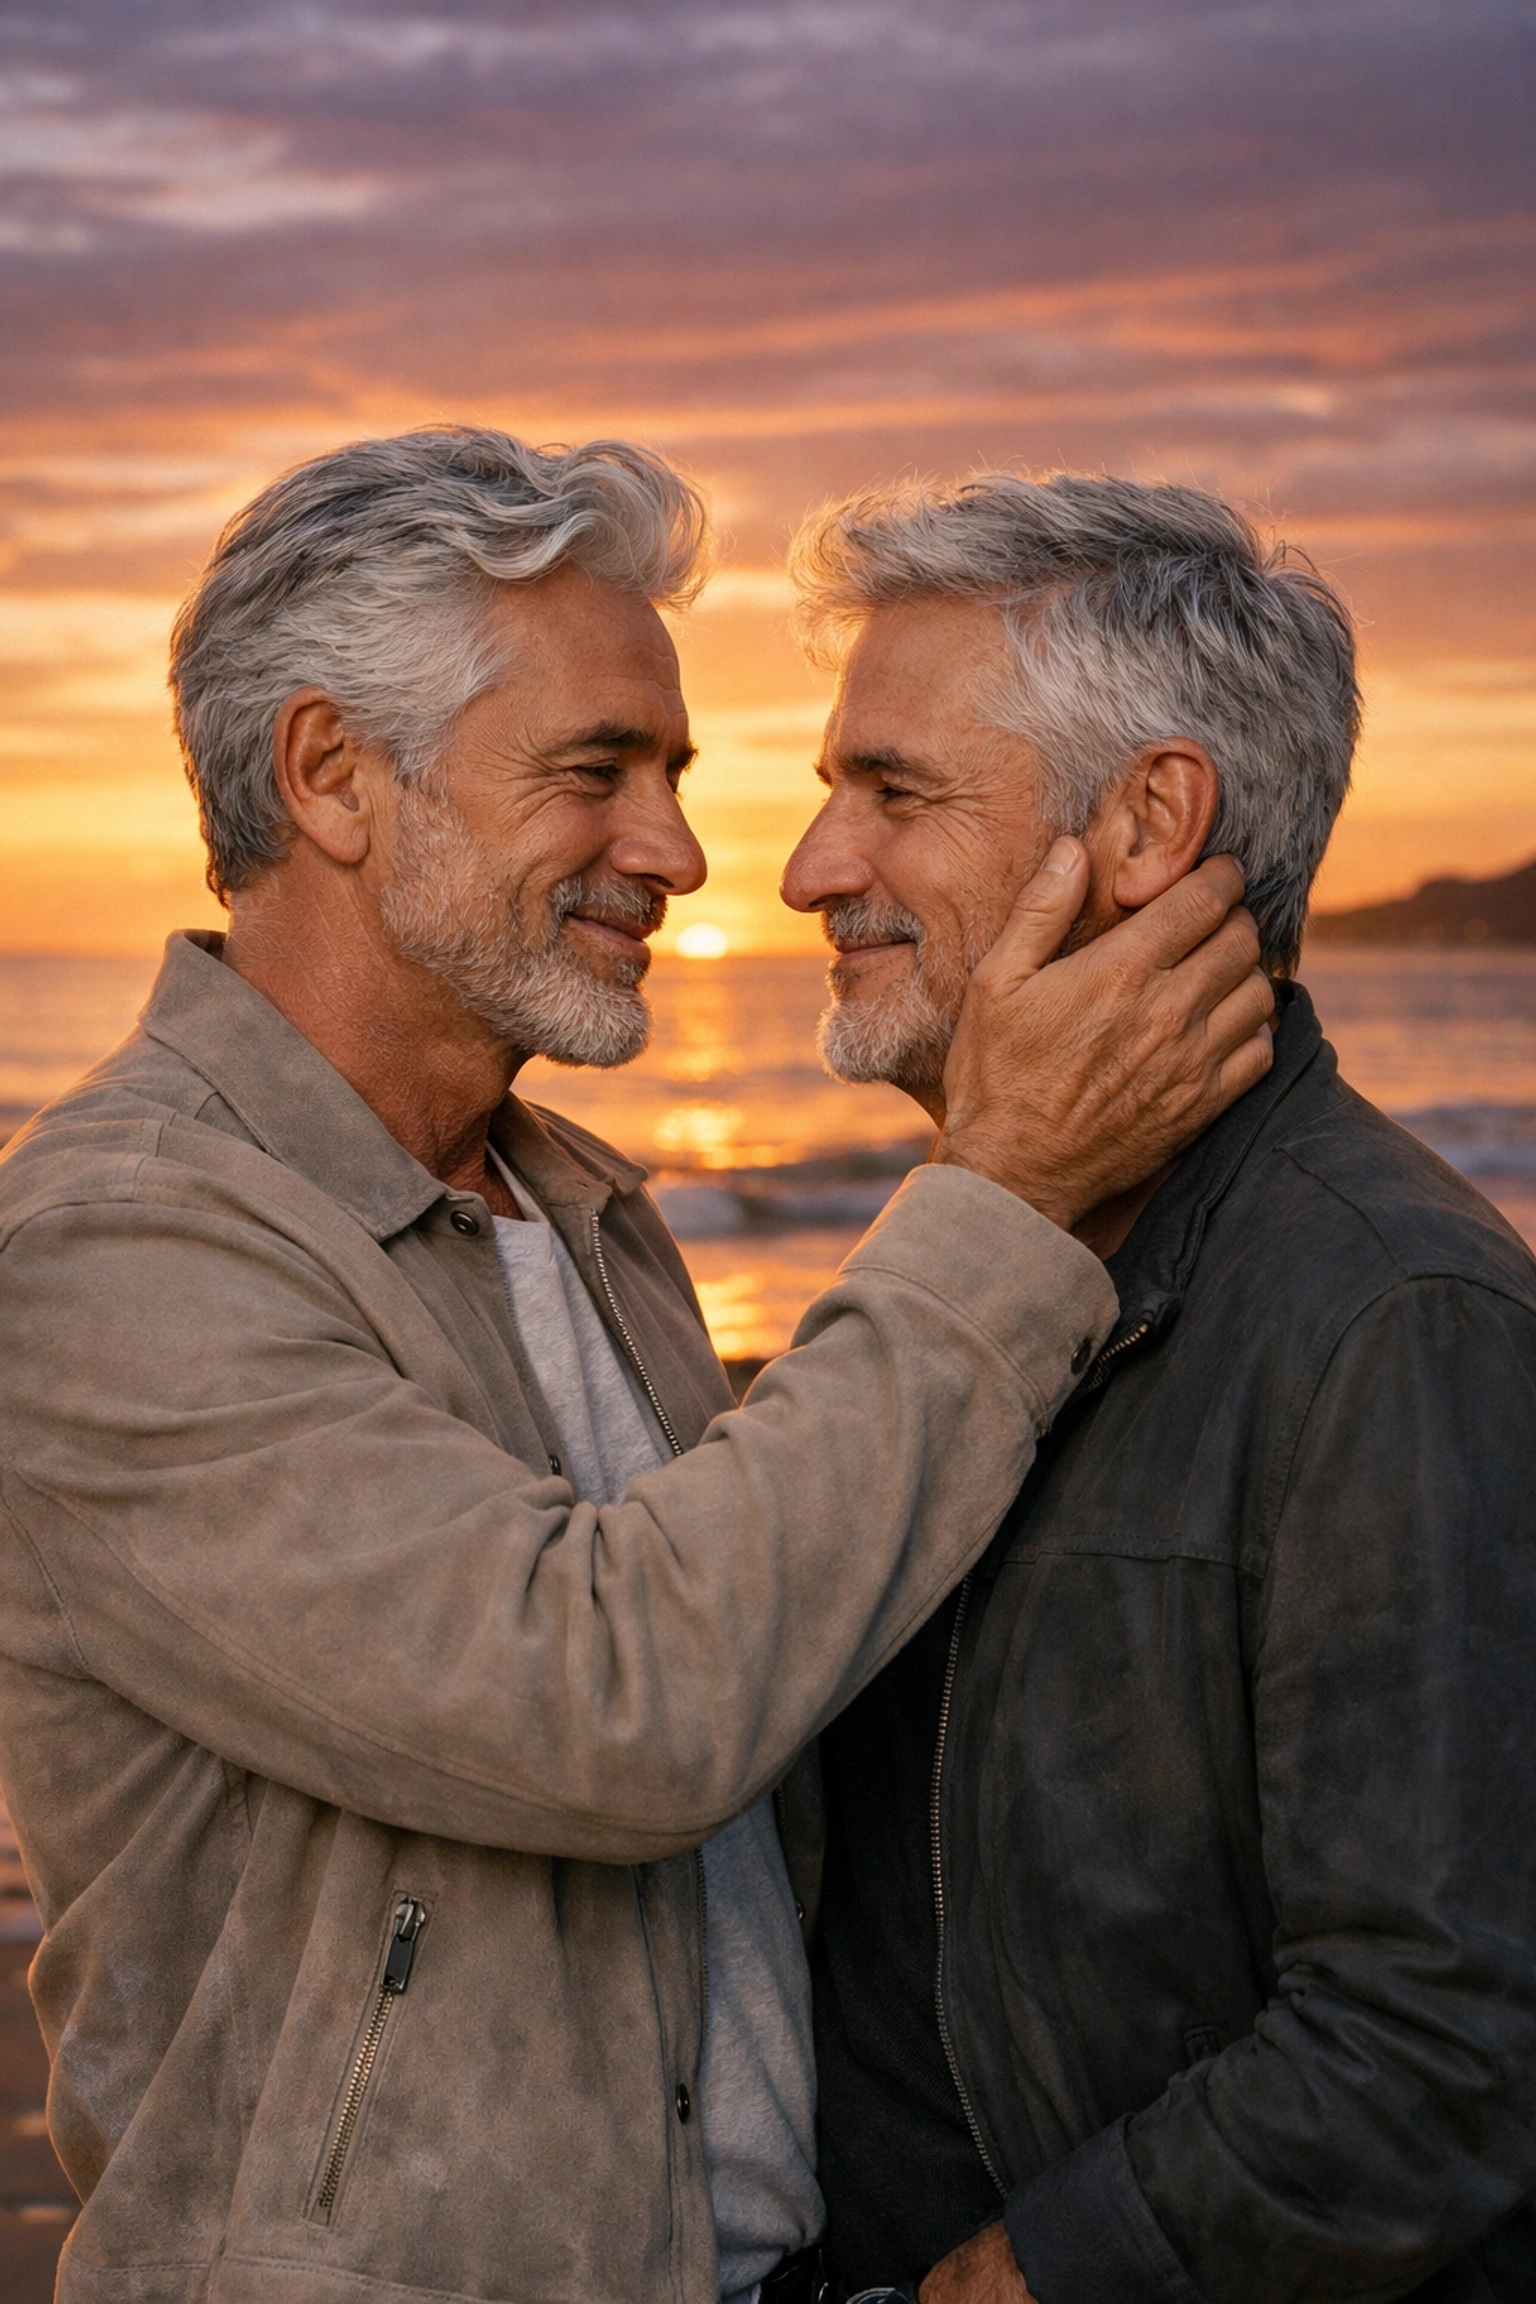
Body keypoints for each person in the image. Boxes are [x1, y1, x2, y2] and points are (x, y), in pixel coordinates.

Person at [0, 430, 1272, 2304]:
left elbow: (777, 1663)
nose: (680, 853)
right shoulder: (118, 1251)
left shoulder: (583, 1206)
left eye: (670, 776)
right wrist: (1004, 1193)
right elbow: (617, 1704)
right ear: (332, 775)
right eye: (596, 772)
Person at [780, 469, 1536, 2304]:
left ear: (1147, 824)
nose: (809, 867)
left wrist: (1009, 2285)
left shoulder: (1393, 1317)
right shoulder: (968, 1261)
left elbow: (1440, 2049)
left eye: (893, 792)